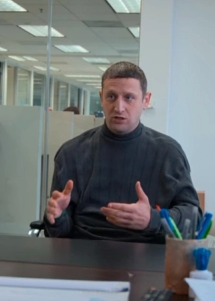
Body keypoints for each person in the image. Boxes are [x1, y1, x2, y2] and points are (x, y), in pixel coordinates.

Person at [43, 61, 201, 243]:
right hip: (85, 251)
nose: (119, 107)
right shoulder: (71, 153)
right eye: (111, 96)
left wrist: (153, 219)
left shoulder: (168, 153)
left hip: (148, 253)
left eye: (129, 97)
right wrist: (57, 217)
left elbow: (193, 218)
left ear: (146, 100)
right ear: (101, 97)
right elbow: (57, 234)